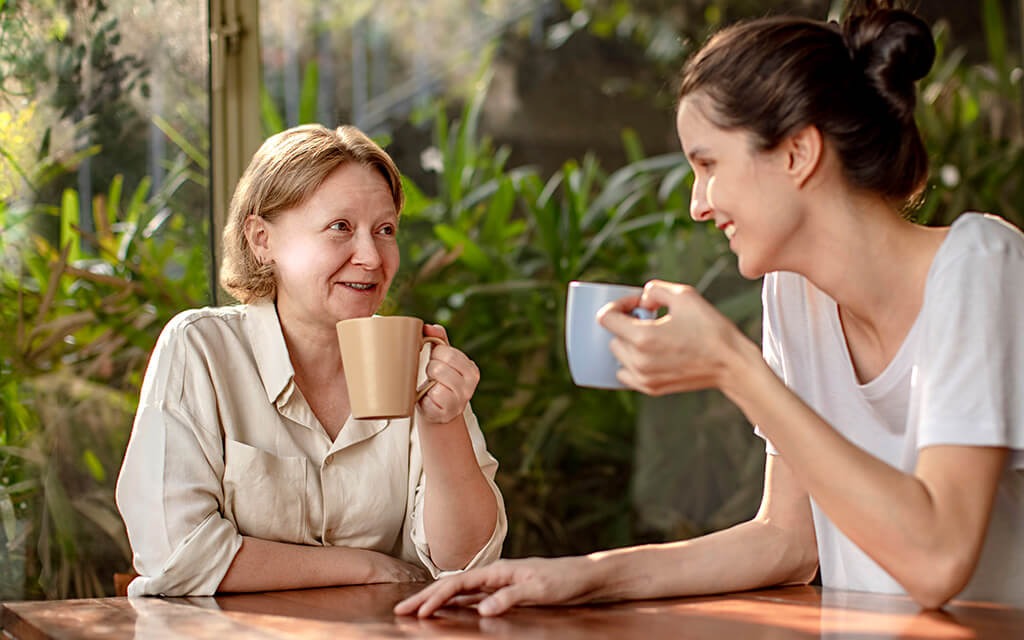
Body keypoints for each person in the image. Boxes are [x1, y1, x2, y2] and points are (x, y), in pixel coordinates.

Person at [395, 0, 1024, 616]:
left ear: (797, 154)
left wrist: (733, 366)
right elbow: (787, 540)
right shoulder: (794, 293)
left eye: (708, 164)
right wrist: (579, 575)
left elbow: (939, 560)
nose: (697, 203)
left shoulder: (980, 266)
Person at [116, 124, 507, 597]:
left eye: (384, 230)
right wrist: (363, 567)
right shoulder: (201, 348)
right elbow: (176, 553)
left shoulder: (414, 360)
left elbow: (464, 563)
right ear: (263, 240)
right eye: (340, 227)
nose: (371, 256)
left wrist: (442, 423)